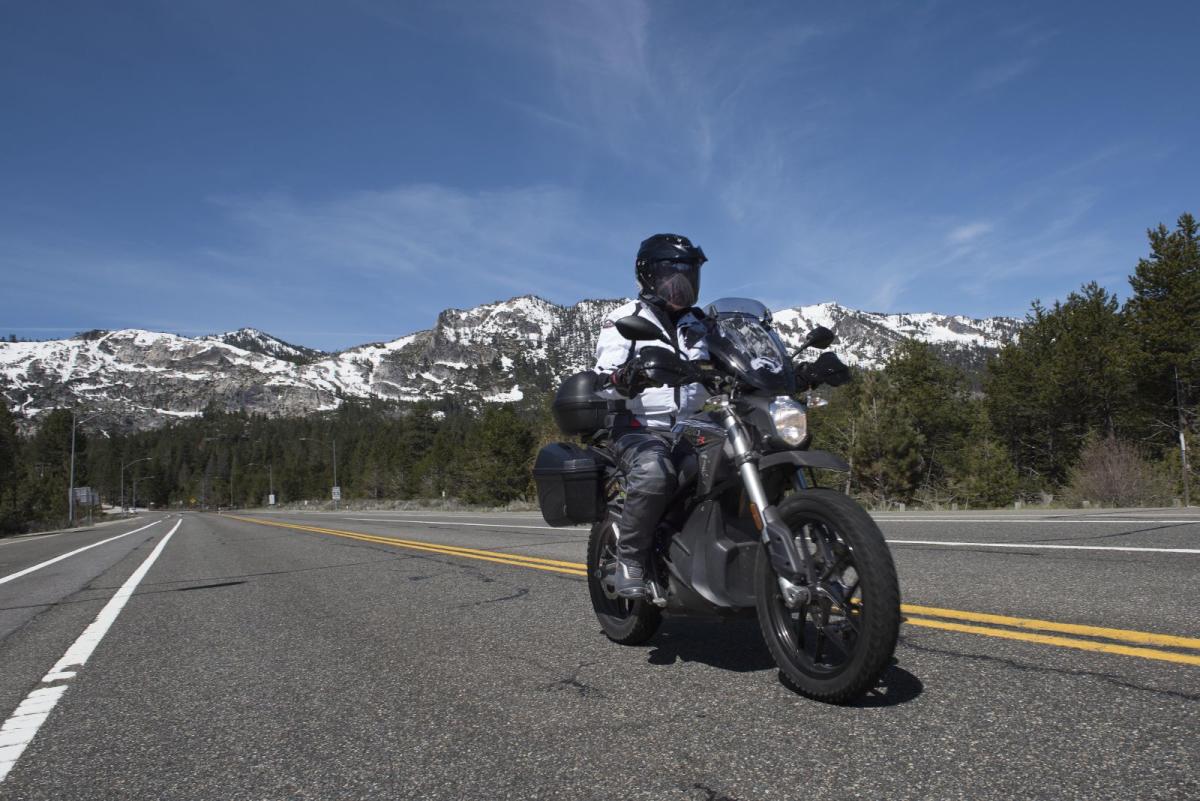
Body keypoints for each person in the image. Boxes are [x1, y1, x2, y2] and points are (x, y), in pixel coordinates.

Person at [593, 233, 711, 599]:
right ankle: (629, 559)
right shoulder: (624, 320)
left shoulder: (701, 324)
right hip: (637, 428)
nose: (680, 282)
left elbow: (728, 361)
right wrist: (625, 377)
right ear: (648, 275)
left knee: (742, 458)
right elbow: (603, 380)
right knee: (655, 473)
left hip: (692, 426)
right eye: (670, 272)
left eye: (687, 272)